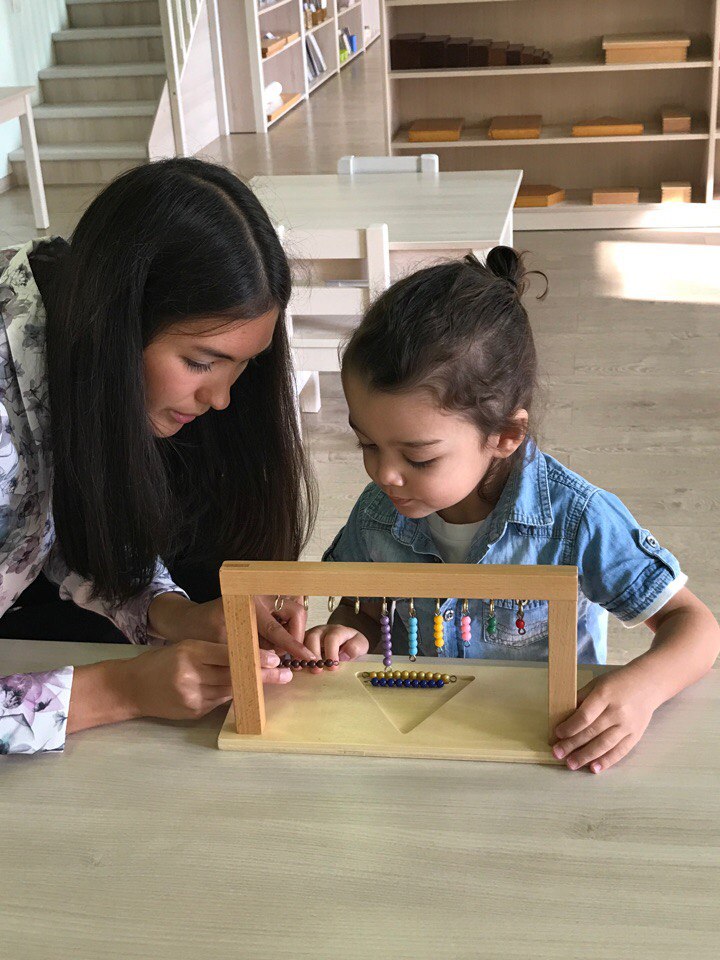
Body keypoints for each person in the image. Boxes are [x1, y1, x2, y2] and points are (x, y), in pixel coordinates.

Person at [304, 247, 720, 773]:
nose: (384, 474)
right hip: (422, 745)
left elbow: (695, 626)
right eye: (367, 444)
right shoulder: (377, 514)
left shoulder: (577, 520)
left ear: (505, 435)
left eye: (418, 457)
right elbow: (361, 609)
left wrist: (642, 690)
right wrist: (344, 635)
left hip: (547, 751)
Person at [0, 158, 318, 755]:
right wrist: (118, 691)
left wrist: (177, 613)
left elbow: (35, 532)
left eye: (240, 367)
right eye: (199, 362)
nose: (221, 399)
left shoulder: (61, 320)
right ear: (116, 323)